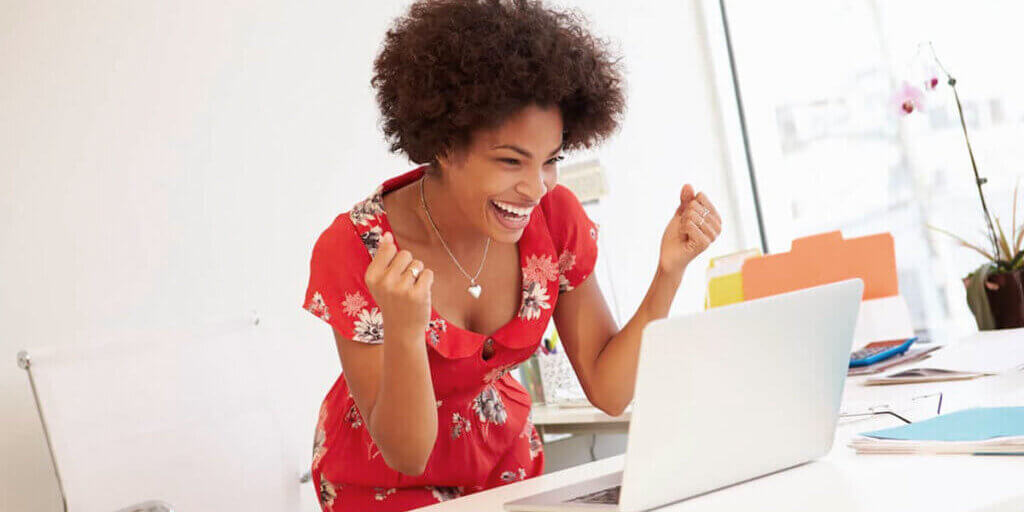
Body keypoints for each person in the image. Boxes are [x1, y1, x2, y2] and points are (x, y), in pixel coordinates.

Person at [301, 1, 722, 510]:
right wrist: (406, 332)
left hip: (505, 465)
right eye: (510, 161)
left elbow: (610, 391)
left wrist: (669, 272)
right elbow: (407, 454)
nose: (536, 187)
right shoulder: (356, 250)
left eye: (550, 160)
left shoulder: (554, 218)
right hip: (381, 483)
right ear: (444, 145)